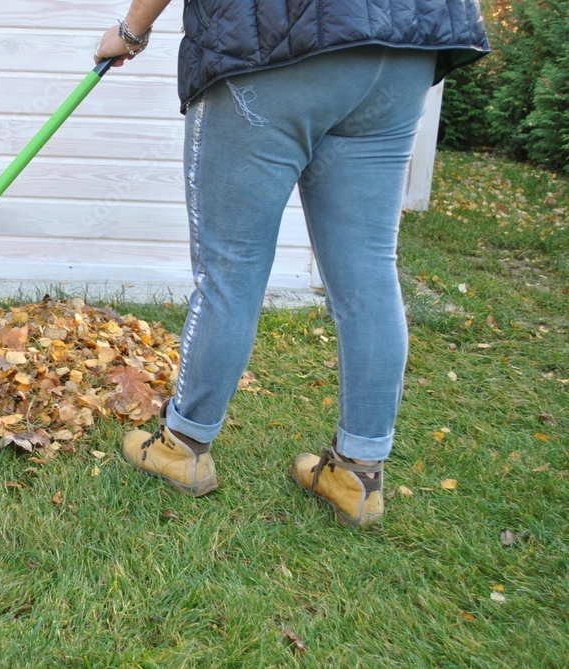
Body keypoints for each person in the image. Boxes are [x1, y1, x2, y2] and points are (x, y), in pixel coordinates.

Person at [96, 0, 489, 528]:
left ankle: (182, 447)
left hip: (273, 46)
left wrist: (132, 30)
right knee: (369, 270)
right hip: (403, 45)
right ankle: (357, 475)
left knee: (229, 271)